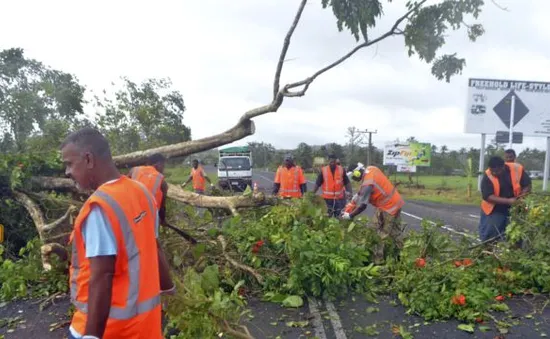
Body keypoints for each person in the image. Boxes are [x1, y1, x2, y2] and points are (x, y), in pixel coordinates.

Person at [61, 127, 174, 339]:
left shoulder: (100, 207)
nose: (67, 172)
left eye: (69, 164)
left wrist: (91, 336)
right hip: (144, 328)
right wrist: (169, 289)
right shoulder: (142, 193)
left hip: (108, 330)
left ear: (88, 159)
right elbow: (154, 246)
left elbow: (102, 275)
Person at [342, 163, 405, 263]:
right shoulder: (371, 169)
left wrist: (349, 215)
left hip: (388, 208)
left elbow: (363, 206)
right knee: (395, 232)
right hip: (396, 203)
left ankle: (378, 262)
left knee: (378, 233)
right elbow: (362, 191)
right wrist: (353, 202)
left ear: (357, 173)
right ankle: (403, 256)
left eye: (353, 177)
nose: (354, 179)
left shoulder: (367, 184)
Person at [479, 156, 531, 242]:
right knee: (490, 236)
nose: (494, 173)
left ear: (503, 167)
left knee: (516, 235)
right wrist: (508, 201)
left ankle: (514, 253)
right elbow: (487, 196)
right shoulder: (488, 175)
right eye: (492, 171)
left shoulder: (516, 168)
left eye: (497, 171)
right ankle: (487, 252)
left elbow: (527, 185)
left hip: (515, 208)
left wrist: (521, 197)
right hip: (495, 209)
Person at [128, 153, 168, 225]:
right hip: (150, 218)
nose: (163, 169)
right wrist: (162, 219)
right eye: (163, 166)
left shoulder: (134, 170)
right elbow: (162, 207)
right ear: (158, 165)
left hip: (131, 213)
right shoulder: (162, 182)